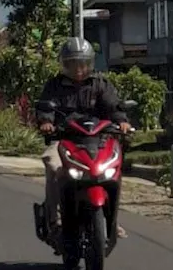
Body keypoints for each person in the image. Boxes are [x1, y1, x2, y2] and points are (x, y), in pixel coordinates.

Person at [36, 37, 131, 244]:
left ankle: (111, 219)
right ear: (64, 64)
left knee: (112, 170)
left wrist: (122, 122)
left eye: (83, 63)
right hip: (64, 140)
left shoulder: (100, 84)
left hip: (97, 140)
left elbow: (113, 106)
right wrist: (46, 122)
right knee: (53, 166)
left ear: (90, 63)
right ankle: (56, 221)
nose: (78, 69)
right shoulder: (55, 85)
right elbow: (45, 107)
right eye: (72, 64)